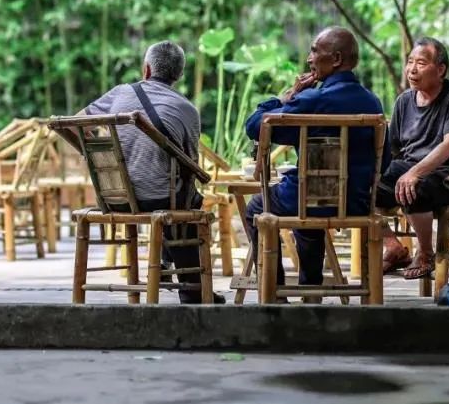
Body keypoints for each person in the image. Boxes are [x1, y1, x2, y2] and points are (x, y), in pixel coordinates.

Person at [242, 27, 389, 298]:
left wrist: (283, 99)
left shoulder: (313, 99)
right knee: (308, 201)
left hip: (309, 199)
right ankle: (311, 288)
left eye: (314, 51)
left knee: (257, 207)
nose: (309, 59)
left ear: (335, 59)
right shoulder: (373, 102)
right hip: (357, 202)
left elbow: (254, 127)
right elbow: (386, 158)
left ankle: (275, 291)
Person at [81, 40, 224, 304]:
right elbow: (189, 164)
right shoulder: (187, 109)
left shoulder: (119, 93)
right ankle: (191, 287)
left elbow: (75, 124)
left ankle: (169, 267)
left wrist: (99, 161)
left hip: (116, 200)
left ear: (146, 69)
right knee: (189, 202)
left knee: (179, 196)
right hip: (161, 200)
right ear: (179, 75)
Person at [377, 37, 449, 280]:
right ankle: (393, 247)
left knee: (414, 188)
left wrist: (414, 173)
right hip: (408, 171)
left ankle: (425, 252)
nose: (412, 69)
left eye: (421, 63)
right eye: (410, 62)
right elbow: (394, 149)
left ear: (440, 69)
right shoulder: (403, 101)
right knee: (359, 189)